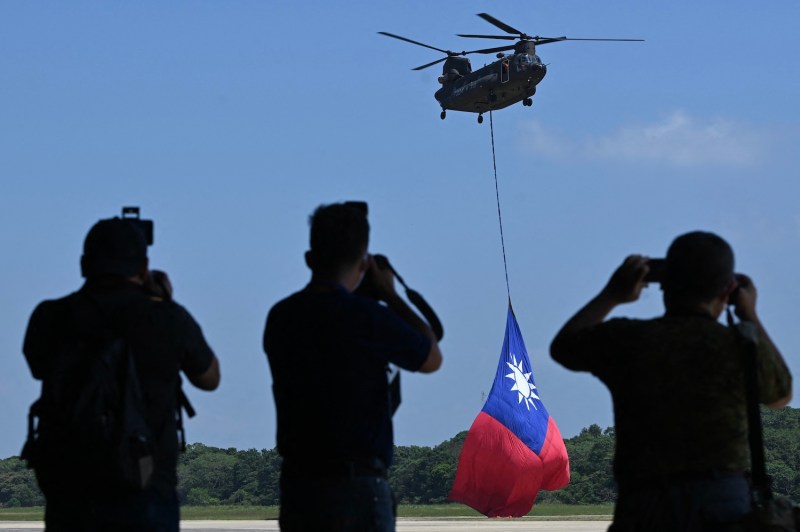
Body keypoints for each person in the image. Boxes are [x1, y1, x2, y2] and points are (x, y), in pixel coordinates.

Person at [550, 231, 792, 532]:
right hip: (722, 501)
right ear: (727, 290)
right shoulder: (737, 347)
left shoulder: (630, 340)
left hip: (646, 502)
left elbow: (564, 347)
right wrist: (749, 314)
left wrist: (611, 294)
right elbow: (780, 394)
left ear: (663, 284)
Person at [23, 216, 221, 532]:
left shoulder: (50, 316)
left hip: (71, 489)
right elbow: (209, 378)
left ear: (84, 265)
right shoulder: (167, 318)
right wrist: (163, 301)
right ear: (143, 269)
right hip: (146, 483)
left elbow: (37, 366)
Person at [263, 202, 443, 532]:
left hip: (301, 486)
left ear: (309, 259)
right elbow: (431, 357)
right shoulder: (368, 318)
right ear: (363, 263)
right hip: (358, 483)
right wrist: (389, 294)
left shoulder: (282, 317)